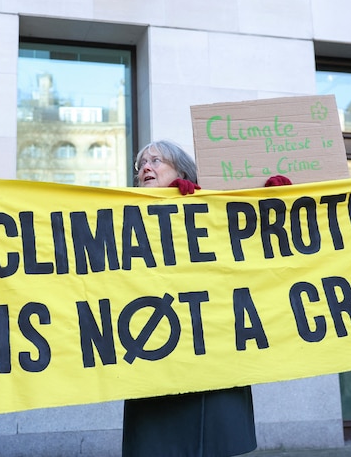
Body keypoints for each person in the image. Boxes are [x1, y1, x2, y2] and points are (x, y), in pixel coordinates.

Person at [121, 139, 291, 457]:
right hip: (156, 355)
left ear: (182, 170)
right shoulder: (124, 216)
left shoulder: (215, 211)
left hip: (215, 355)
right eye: (141, 164)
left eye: (156, 161)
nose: (145, 167)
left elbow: (258, 259)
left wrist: (272, 205)